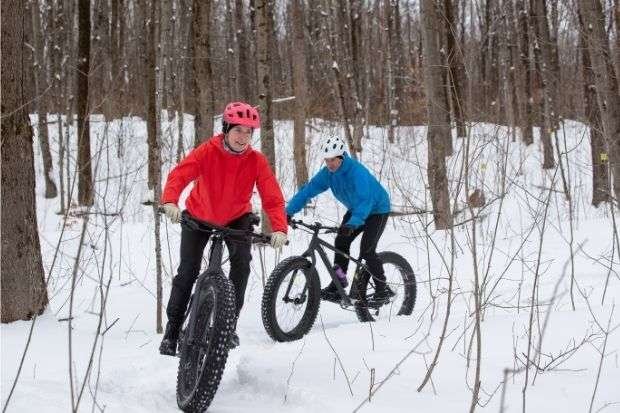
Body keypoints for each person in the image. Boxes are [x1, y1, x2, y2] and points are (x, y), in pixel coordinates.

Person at [159, 101, 288, 355]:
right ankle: (172, 331)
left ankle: (228, 327)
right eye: (238, 130)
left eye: (249, 132)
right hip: (199, 216)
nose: (243, 137)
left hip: (236, 218)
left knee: (241, 267)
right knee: (188, 271)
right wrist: (170, 201)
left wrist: (280, 227)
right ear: (226, 129)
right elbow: (180, 175)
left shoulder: (256, 161)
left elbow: (271, 195)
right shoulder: (207, 151)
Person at [285, 136, 393, 303]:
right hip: (356, 209)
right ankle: (338, 284)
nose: (330, 164)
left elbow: (365, 200)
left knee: (366, 249)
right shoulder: (328, 173)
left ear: (342, 156)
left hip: (377, 209)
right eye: (327, 160)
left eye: (333, 160)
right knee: (341, 242)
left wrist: (352, 224)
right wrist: (288, 211)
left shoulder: (357, 172)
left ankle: (382, 288)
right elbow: (308, 190)